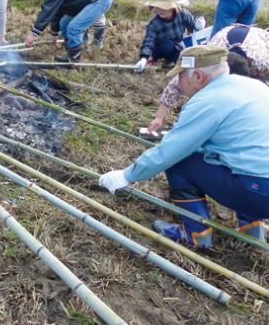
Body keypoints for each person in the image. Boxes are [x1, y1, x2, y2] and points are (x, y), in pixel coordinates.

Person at [99, 45, 269, 248]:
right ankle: (252, 231)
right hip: (260, 186)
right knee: (242, 159)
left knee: (181, 161)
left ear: (198, 76)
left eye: (180, 76)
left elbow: (169, 152)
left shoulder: (208, 101)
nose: (177, 82)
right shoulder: (254, 87)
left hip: (259, 192)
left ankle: (196, 235)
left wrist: (125, 176)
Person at [148, 24, 269, 133]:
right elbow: (179, 80)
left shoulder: (262, 63)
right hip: (227, 38)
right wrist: (159, 117)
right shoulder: (209, 57)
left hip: (260, 45)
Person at [24, 0, 113, 62]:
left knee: (74, 27)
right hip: (85, 0)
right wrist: (54, 32)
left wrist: (34, 34)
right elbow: (56, 9)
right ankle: (71, 52)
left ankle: (74, 60)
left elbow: (47, 10)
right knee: (64, 23)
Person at [133, 0, 205, 72]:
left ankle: (170, 60)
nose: (162, 10)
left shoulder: (182, 14)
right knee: (168, 45)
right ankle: (154, 59)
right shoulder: (153, 23)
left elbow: (193, 26)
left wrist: (199, 24)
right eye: (160, 7)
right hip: (160, 48)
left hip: (178, 47)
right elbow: (148, 41)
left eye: (166, 8)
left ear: (173, 8)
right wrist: (144, 58)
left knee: (184, 60)